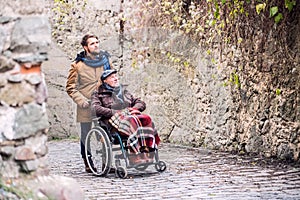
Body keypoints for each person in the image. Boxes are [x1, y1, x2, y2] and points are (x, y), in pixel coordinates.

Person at [91, 69, 161, 165]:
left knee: (146, 119)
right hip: (112, 123)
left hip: (129, 117)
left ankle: (147, 152)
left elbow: (140, 102)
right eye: (112, 77)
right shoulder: (98, 93)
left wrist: (134, 109)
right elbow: (95, 108)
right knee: (132, 120)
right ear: (104, 81)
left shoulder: (124, 91)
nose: (115, 79)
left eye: (116, 76)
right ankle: (134, 155)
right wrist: (114, 112)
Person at [66, 34, 113, 173]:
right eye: (92, 43)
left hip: (102, 103)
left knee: (106, 131)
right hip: (86, 105)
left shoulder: (105, 61)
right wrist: (81, 101)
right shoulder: (77, 66)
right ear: (85, 47)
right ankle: (88, 161)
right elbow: (70, 87)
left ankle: (106, 163)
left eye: (97, 42)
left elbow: (112, 78)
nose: (96, 45)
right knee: (86, 135)